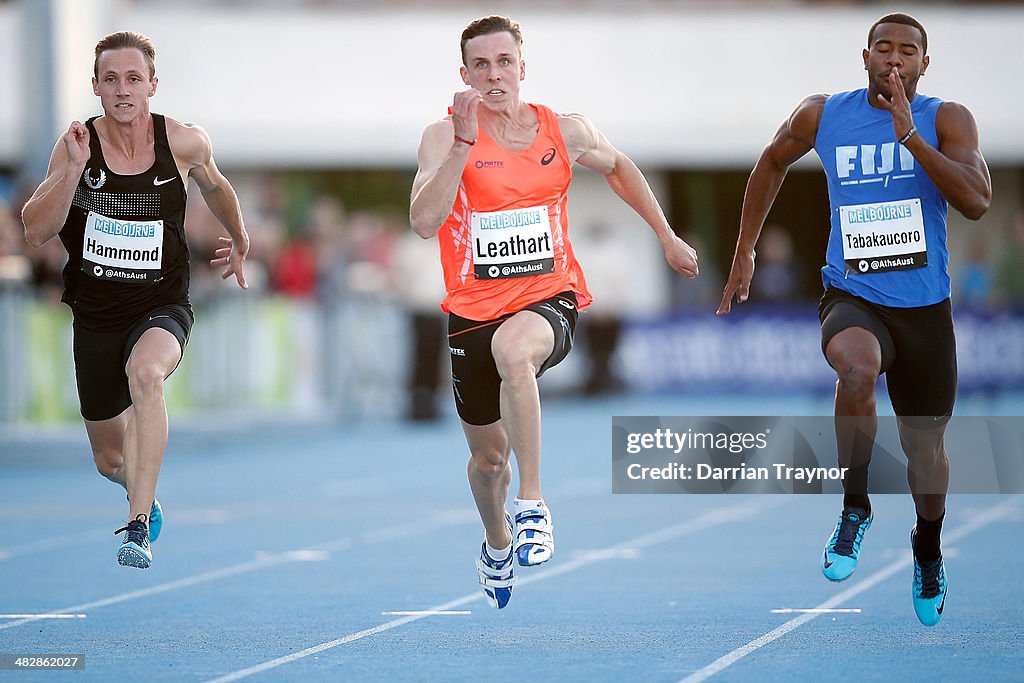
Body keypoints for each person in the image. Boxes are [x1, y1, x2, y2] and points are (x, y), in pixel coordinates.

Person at [410, 15, 698, 609]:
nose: (494, 75)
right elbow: (422, 221)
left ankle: (534, 506)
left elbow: (620, 167)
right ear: (464, 75)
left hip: (550, 296)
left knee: (515, 351)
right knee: (488, 460)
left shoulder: (563, 130)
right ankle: (495, 543)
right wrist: (464, 145)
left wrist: (665, 237)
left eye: (504, 62)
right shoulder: (442, 137)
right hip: (471, 309)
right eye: (481, 65)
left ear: (522, 67)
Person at [718, 13, 990, 626]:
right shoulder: (823, 114)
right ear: (864, 56)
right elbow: (770, 162)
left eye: (909, 52)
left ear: (925, 64)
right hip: (854, 293)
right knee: (856, 367)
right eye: (884, 49)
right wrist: (744, 252)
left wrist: (911, 139)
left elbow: (975, 201)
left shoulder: (948, 119)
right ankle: (855, 505)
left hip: (924, 307)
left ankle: (926, 545)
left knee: (926, 449)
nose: (895, 61)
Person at [21, 31, 249, 569]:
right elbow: (35, 230)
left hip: (162, 303)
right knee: (109, 459)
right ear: (96, 86)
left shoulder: (185, 142)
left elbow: (216, 186)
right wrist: (73, 171)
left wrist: (239, 239)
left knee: (147, 375)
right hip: (96, 313)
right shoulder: (77, 144)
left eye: (134, 78)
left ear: (152, 84)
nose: (123, 89)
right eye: (112, 79)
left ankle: (137, 524)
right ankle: (139, 486)